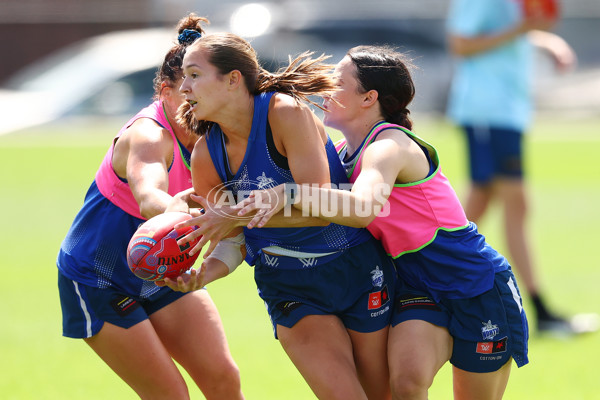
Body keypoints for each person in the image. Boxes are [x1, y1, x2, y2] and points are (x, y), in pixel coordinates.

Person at [235, 45, 530, 399]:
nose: (325, 88)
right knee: (405, 383)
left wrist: (289, 192)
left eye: (337, 82)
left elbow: (361, 208)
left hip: (475, 283)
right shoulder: (341, 154)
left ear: (368, 97)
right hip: (415, 286)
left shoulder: (389, 146)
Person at [165, 32, 397, 400]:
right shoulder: (207, 157)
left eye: (194, 75)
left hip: (354, 268)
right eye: (183, 78)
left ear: (233, 79)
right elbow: (232, 240)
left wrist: (234, 217)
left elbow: (320, 209)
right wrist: (203, 274)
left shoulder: (284, 113)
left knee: (384, 394)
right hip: (288, 284)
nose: (184, 88)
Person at [56, 14, 244, 400]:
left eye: (201, 86)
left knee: (224, 379)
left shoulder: (218, 137)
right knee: (170, 395)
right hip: (99, 278)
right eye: (185, 88)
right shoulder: (148, 134)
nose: (194, 98)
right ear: (164, 91)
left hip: (162, 269)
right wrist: (181, 211)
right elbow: (149, 197)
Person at [445, 0, 577, 334]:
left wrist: (546, 42)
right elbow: (461, 43)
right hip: (489, 111)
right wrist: (521, 28)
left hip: (505, 111)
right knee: (516, 203)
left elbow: (502, 35)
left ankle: (427, 286)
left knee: (477, 205)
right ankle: (541, 310)